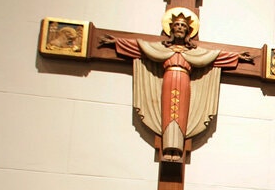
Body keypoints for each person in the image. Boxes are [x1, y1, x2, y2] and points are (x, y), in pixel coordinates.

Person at [100, 9, 253, 162]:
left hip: (184, 82)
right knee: (168, 113)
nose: (180, 28)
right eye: (177, 25)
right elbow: (140, 47)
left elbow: (216, 56)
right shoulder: (161, 50)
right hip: (168, 80)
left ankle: (178, 148)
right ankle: (168, 147)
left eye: (183, 26)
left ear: (188, 31)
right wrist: (116, 42)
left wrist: (237, 56)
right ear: (171, 29)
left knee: (181, 115)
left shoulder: (195, 53)